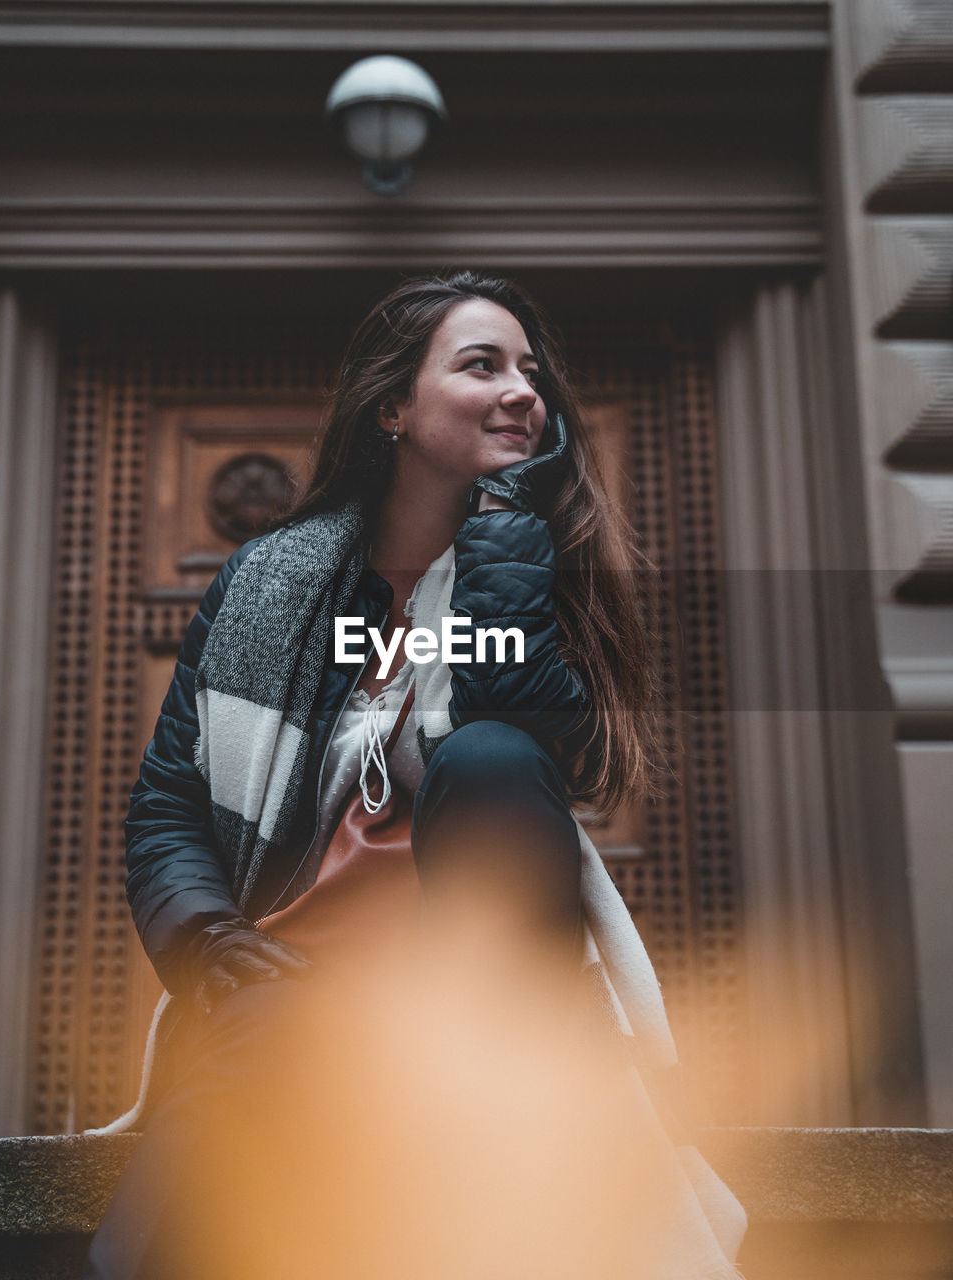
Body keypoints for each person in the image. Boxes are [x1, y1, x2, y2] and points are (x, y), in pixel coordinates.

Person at [83, 271, 746, 1280]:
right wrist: (214, 946)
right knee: (155, 1238)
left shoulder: (545, 578)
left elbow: (543, 740)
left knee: (490, 753)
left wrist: (509, 529)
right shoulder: (262, 584)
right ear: (392, 405)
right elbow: (169, 804)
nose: (524, 390)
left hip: (470, 998)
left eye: (532, 372)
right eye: (483, 365)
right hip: (286, 988)